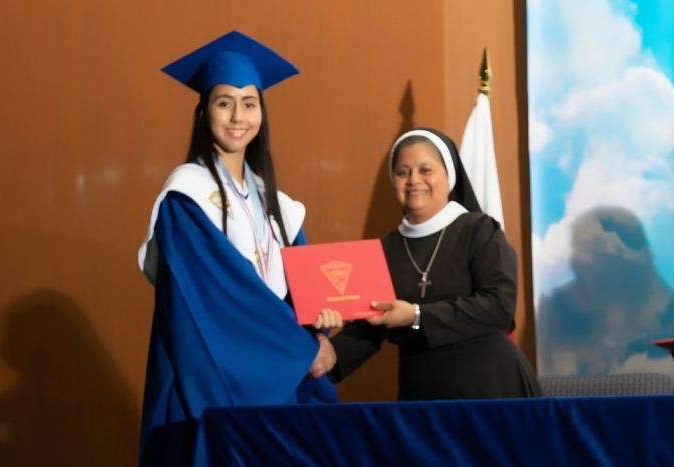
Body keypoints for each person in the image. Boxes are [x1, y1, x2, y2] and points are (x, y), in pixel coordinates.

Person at [137, 30, 340, 459]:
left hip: (280, 376)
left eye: (249, 104)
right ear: (204, 112)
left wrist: (320, 332)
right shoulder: (186, 197)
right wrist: (300, 352)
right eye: (224, 102)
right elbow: (215, 300)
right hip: (210, 381)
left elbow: (302, 290)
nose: (237, 117)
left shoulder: (276, 204)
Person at [329, 127, 542, 400]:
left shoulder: (479, 231)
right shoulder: (383, 249)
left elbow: (499, 305)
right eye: (403, 172)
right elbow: (368, 325)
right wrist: (326, 355)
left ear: (449, 176)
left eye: (425, 170)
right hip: (421, 391)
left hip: (492, 385)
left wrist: (417, 315)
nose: (413, 180)